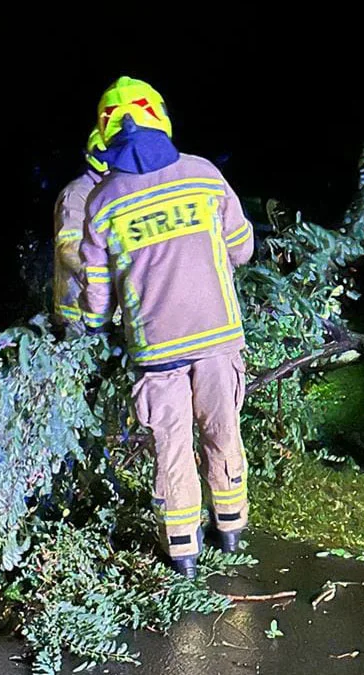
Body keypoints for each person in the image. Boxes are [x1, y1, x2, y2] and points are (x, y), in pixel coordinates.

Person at [79, 77, 255, 577]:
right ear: (160, 116)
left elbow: (97, 292)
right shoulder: (203, 176)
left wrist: (91, 328)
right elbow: (242, 247)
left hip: (156, 349)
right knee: (223, 431)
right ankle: (232, 531)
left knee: (171, 445)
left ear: (105, 131)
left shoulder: (102, 202)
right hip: (217, 334)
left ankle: (183, 552)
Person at [52, 130, 108, 327]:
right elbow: (68, 249)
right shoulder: (77, 194)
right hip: (78, 315)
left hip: (104, 311)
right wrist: (104, 282)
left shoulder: (110, 192)